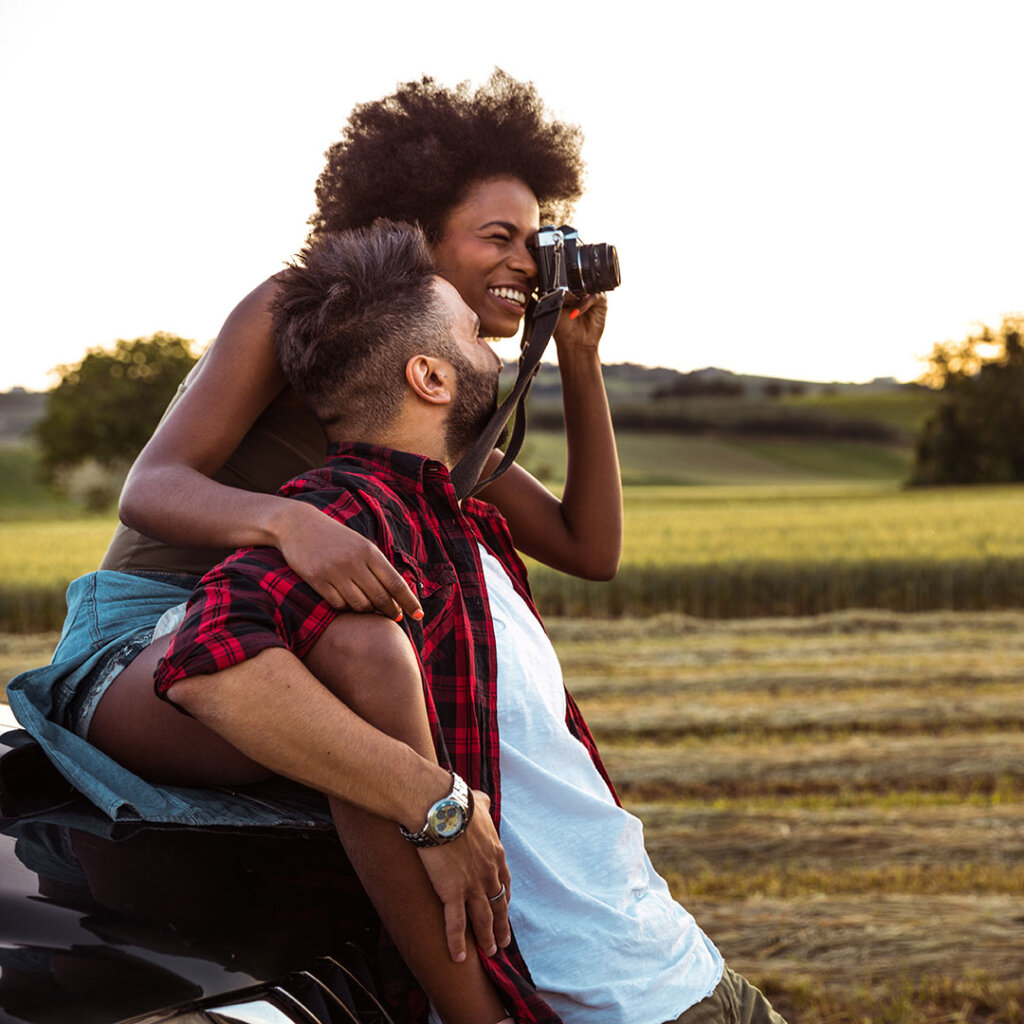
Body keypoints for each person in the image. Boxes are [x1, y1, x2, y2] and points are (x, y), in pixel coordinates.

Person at [8, 70, 621, 943]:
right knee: (368, 657)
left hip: (304, 639)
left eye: (539, 237)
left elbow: (585, 545)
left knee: (404, 675)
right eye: (501, 236)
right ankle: (468, 989)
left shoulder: (435, 394)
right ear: (414, 230)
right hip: (153, 639)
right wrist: (291, 523)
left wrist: (582, 360)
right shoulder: (298, 311)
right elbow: (152, 488)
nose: (530, 260)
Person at [150, 221, 787, 1024]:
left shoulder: (457, 519)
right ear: (430, 376)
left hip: (681, 967)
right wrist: (437, 802)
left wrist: (578, 352)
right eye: (468, 333)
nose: (492, 345)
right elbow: (207, 659)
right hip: (599, 1004)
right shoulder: (351, 516)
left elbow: (591, 546)